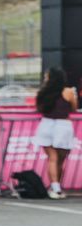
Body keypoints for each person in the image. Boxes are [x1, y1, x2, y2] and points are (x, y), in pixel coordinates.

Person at [33, 68, 78, 197]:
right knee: (60, 159)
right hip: (63, 126)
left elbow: (39, 108)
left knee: (52, 158)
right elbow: (74, 107)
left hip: (46, 125)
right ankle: (56, 187)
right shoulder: (68, 91)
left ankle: (55, 187)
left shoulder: (42, 92)